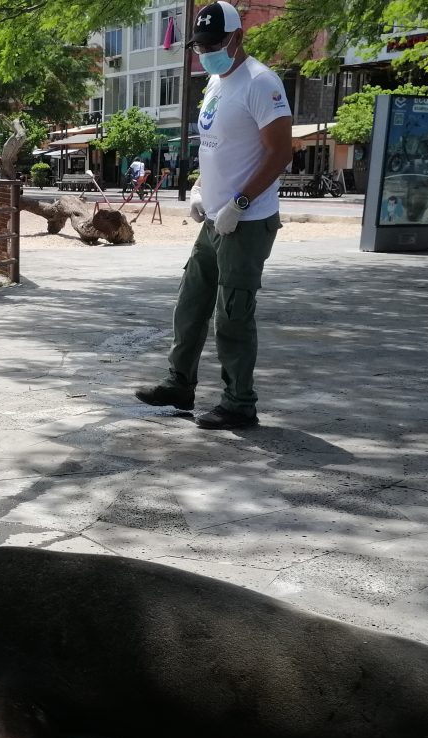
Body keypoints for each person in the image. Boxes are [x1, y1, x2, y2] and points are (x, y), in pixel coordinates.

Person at [134, 1, 292, 430]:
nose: (204, 53)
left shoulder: (261, 83)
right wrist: (203, 188)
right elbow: (218, 146)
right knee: (190, 304)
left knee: (233, 315)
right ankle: (179, 383)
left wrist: (239, 204)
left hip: (248, 219)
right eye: (199, 46)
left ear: (237, 38)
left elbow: (280, 152)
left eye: (212, 44)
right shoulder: (216, 84)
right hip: (214, 219)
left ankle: (240, 403)